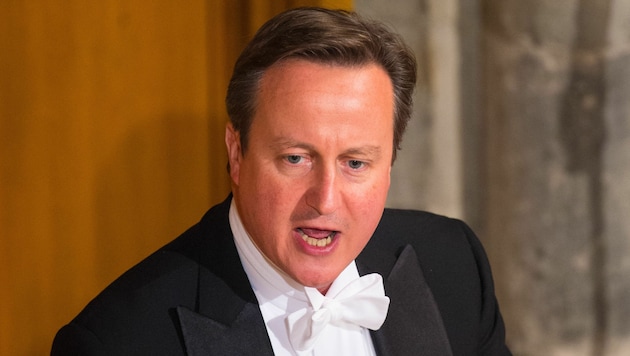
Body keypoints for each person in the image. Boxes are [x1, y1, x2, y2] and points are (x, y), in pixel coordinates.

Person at [52, 7, 511, 356]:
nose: (325, 200)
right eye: (295, 158)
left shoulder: (453, 264)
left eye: (355, 163)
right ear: (237, 153)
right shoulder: (117, 340)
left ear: (390, 164)